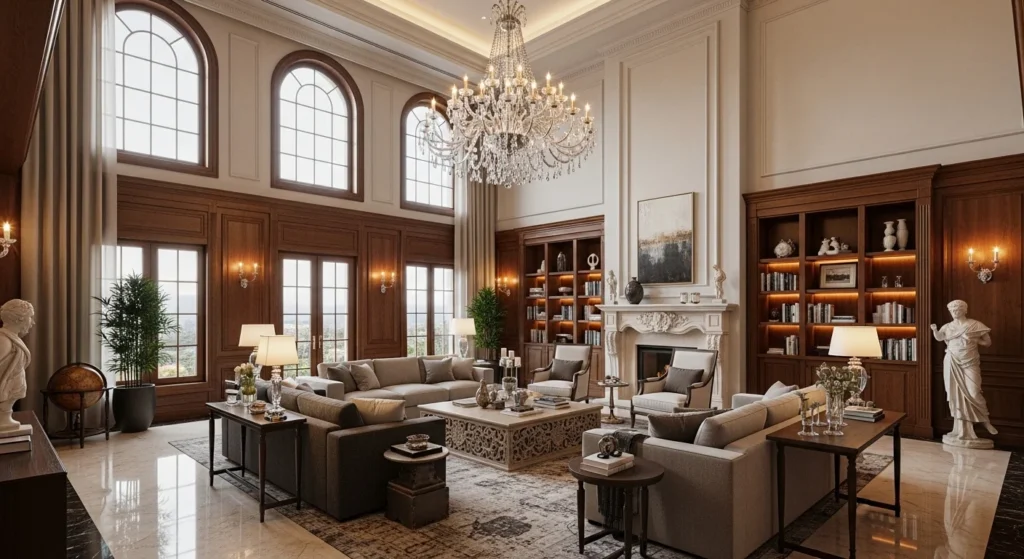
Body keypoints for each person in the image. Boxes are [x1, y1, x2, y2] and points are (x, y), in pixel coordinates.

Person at [931, 300, 997, 445]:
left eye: (958, 308)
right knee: (954, 394)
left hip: (970, 362)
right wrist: (935, 330)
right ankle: (960, 429)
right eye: (952, 309)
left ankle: (985, 421)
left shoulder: (974, 325)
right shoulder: (947, 327)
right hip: (952, 361)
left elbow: (987, 342)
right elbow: (940, 338)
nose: (955, 311)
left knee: (974, 392)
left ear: (965, 310)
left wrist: (975, 340)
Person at [0, 299, 34, 432]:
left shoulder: (11, 338)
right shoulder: (4, 341)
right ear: (19, 319)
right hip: (6, 391)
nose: (32, 322)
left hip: (11, 389)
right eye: (30, 317)